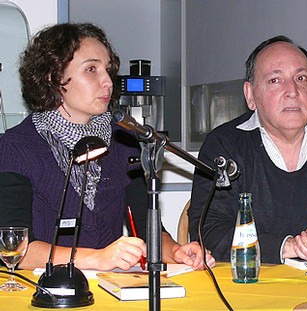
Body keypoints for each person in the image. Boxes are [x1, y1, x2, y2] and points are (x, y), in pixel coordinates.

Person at [0, 23, 214, 271]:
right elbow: (15, 248)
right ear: (53, 77)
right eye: (91, 69)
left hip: (110, 288)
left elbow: (145, 226)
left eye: (108, 70)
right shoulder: (16, 147)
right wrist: (97, 258)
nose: (108, 82)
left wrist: (175, 251)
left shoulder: (123, 140)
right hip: (44, 294)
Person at [188, 35, 307, 263]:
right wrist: (288, 246)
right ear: (250, 95)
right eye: (275, 80)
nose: (292, 90)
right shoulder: (224, 144)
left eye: (301, 78)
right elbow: (208, 232)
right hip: (251, 287)